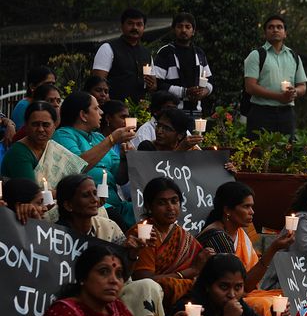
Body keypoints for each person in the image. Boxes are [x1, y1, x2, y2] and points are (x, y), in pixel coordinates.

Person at [55, 174, 165, 316]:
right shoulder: (55, 236)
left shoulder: (109, 227)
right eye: (86, 195)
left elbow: (124, 277)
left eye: (95, 193)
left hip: (111, 295)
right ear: (68, 205)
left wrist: (132, 253)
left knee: (147, 285)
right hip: (76, 299)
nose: (95, 199)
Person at [196, 180, 295, 316]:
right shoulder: (218, 238)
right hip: (222, 300)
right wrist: (273, 249)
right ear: (227, 210)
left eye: (252, 207)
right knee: (266, 305)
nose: (252, 212)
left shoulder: (240, 232)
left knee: (290, 297)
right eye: (246, 207)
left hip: (243, 293)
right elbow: (244, 286)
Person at [52, 91, 136, 226]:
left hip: (116, 203)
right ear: (83, 115)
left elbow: (120, 178)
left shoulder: (98, 137)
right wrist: (112, 139)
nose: (101, 112)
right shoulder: (64, 135)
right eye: (96, 108)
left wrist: (125, 158)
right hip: (92, 205)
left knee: (147, 214)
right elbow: (78, 166)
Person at [130, 177, 214, 307]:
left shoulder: (182, 235)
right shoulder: (144, 233)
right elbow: (144, 281)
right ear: (148, 206)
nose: (170, 208)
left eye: (174, 201)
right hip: (150, 295)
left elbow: (200, 266)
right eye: (162, 203)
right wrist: (188, 272)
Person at [159, 254, 266, 316]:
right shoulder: (189, 310)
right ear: (208, 286)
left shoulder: (239, 306)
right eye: (224, 287)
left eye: (238, 287)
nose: (232, 294)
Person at [244, 14, 307, 137]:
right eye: (271, 27)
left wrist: (295, 92)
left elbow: (302, 86)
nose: (275, 30)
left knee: (286, 152)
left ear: (285, 33)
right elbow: (250, 87)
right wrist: (278, 97)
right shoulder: (256, 55)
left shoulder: (294, 56)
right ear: (265, 33)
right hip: (261, 113)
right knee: (258, 152)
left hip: (286, 114)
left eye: (279, 27)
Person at [154, 12, 212, 117]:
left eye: (187, 27)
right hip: (172, 112)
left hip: (196, 111)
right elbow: (157, 84)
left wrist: (205, 91)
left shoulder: (199, 53)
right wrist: (184, 92)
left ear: (193, 31)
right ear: (173, 30)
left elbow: (210, 80)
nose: (183, 30)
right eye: (179, 26)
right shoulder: (165, 52)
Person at [90, 8, 156, 102]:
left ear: (144, 27)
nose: (135, 28)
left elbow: (152, 85)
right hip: (113, 111)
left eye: (139, 24)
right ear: (122, 26)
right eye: (130, 23)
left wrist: (152, 85)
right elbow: (96, 83)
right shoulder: (108, 48)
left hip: (139, 111)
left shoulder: (146, 54)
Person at [2, 101, 64, 182]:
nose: (41, 129)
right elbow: (31, 192)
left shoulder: (53, 147)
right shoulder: (18, 153)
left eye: (46, 125)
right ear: (26, 126)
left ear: (54, 126)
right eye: (35, 124)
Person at [137, 108, 202, 151]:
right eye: (158, 125)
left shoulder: (188, 150)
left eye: (166, 128)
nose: (159, 131)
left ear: (180, 135)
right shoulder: (146, 147)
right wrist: (179, 151)